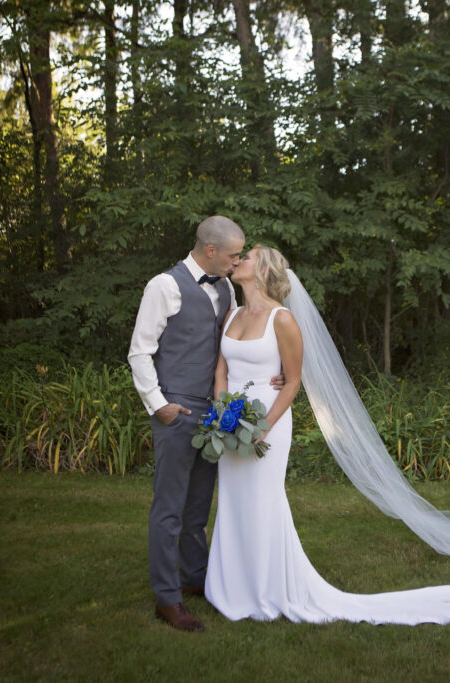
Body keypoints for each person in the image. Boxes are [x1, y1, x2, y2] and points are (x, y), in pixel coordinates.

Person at [204, 246, 450, 624]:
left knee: (262, 500)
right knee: (234, 500)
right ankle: (232, 586)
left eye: (249, 256)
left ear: (264, 270)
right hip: (230, 423)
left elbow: (293, 381)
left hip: (267, 424)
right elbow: (222, 371)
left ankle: (269, 588)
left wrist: (264, 425)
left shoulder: (282, 320)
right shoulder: (232, 314)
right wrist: (225, 415)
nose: (239, 260)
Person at [128, 216, 283, 632]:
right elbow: (140, 352)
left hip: (215, 414)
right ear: (210, 250)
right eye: (234, 254)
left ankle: (195, 579)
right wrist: (159, 405)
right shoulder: (163, 286)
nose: (238, 262)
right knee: (169, 510)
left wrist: (273, 373)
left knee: (198, 508)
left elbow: (233, 346)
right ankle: (167, 598)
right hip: (177, 413)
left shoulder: (227, 289)